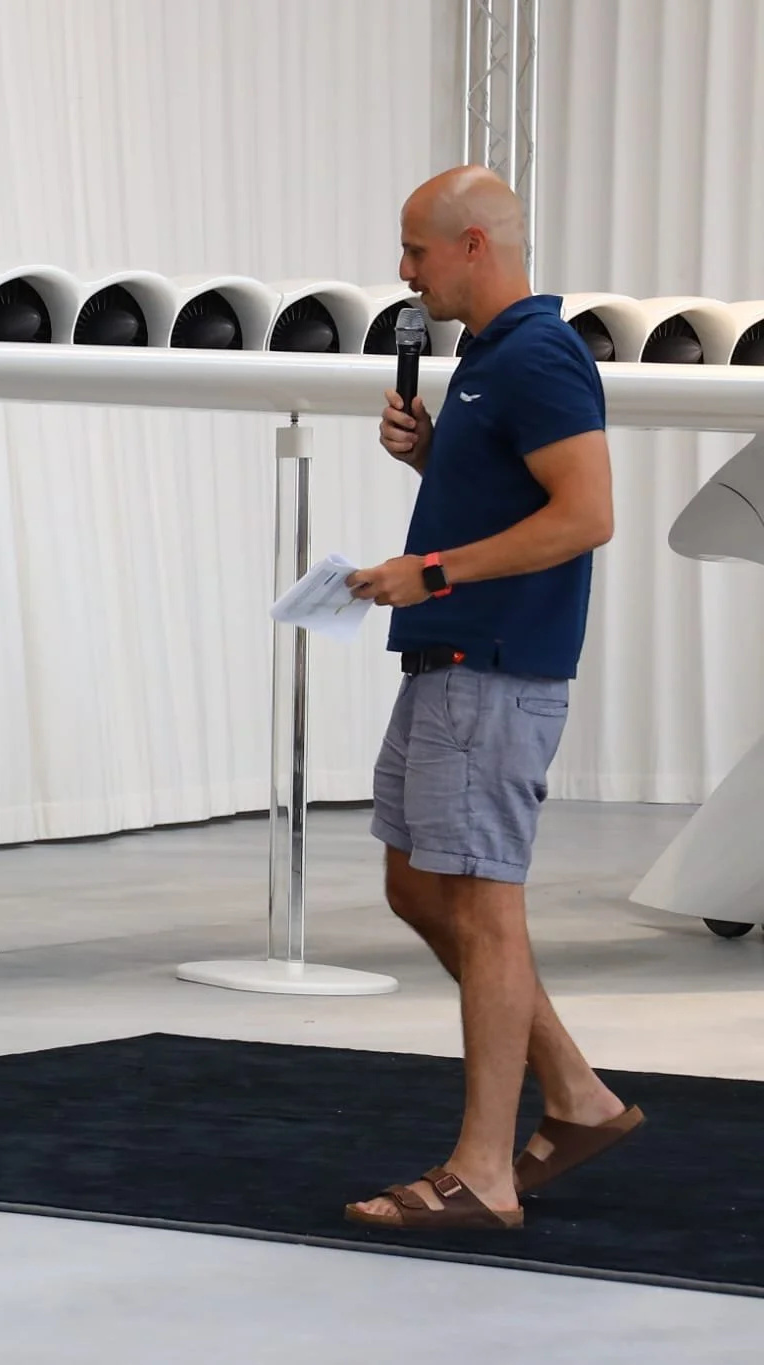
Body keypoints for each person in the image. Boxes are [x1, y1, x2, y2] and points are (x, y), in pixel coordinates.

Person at [342, 166, 641, 1231]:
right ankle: (576, 1096)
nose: (402, 269)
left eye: (415, 248)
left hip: (490, 669)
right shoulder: (489, 360)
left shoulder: (538, 355)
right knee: (417, 889)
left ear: (473, 245)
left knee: (481, 905)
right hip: (451, 663)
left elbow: (586, 515)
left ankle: (482, 1173)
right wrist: (436, 456)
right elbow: (519, 499)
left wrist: (430, 572)